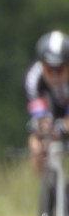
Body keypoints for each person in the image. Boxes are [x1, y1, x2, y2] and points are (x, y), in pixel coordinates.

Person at [25, 30, 69, 174]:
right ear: (42, 66)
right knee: (37, 144)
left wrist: (62, 128)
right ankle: (47, 188)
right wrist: (45, 130)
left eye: (60, 70)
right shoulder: (34, 77)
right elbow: (40, 114)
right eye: (50, 70)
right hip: (50, 109)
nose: (55, 75)